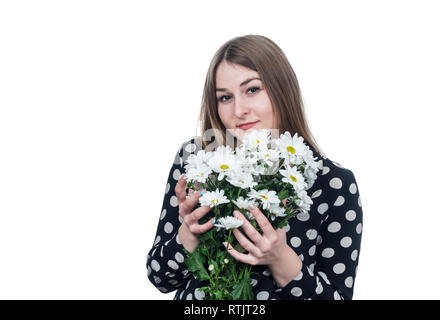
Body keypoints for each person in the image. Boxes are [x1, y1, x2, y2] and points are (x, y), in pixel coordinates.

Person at [146, 34, 363, 300]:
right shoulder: (196, 158)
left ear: (282, 89)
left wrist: (281, 258)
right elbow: (160, 278)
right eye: (225, 97)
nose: (239, 110)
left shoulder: (332, 183)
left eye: (252, 90)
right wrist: (189, 233)